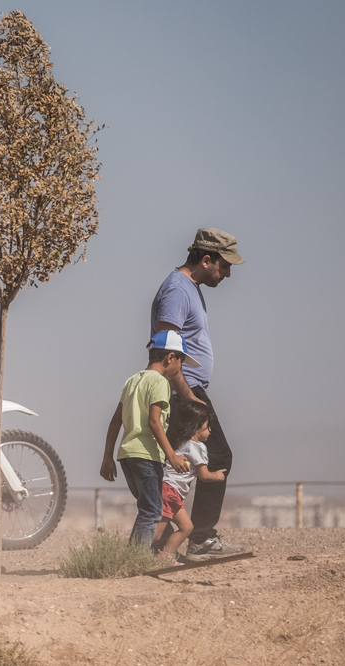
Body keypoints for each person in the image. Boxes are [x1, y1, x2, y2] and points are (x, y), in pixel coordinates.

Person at [150, 227, 246, 561]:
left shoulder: (189, 288)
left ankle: (162, 545)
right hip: (184, 391)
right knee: (216, 457)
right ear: (206, 260)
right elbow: (165, 348)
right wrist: (189, 397)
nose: (227, 274)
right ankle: (199, 539)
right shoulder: (178, 290)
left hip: (189, 389)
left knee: (180, 465)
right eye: (225, 266)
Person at [100, 330, 200, 547]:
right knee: (152, 510)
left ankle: (140, 554)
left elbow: (115, 421)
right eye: (181, 362)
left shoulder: (132, 381)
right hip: (146, 456)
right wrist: (172, 456)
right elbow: (154, 421)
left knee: (148, 508)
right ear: (170, 358)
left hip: (127, 455)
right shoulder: (160, 382)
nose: (180, 369)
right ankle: (136, 558)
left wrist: (107, 457)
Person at [152, 399, 226, 562]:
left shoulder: (182, 442)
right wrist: (217, 476)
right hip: (170, 492)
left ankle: (164, 558)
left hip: (172, 493)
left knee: (187, 527)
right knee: (155, 535)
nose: (210, 431)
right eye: (207, 427)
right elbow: (204, 475)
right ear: (196, 427)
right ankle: (133, 555)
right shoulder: (198, 447)